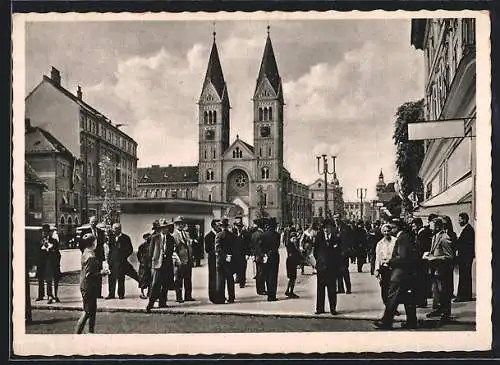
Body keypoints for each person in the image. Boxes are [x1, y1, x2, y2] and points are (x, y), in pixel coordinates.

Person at [373, 219, 419, 330]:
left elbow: (402, 257)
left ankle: (386, 322)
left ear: (397, 227)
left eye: (392, 228)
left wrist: (390, 261)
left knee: (392, 298)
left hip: (400, 274)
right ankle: (411, 321)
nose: (390, 230)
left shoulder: (402, 238)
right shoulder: (405, 236)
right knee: (408, 298)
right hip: (407, 273)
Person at [75, 233, 109, 334]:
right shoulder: (90, 256)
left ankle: (91, 333)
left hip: (87, 286)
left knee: (92, 311)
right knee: (87, 312)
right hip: (89, 286)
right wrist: (102, 273)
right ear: (93, 242)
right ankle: (77, 334)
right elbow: (89, 275)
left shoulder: (86, 252)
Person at [424, 217, 455, 321]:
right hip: (435, 268)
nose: (429, 226)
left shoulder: (444, 238)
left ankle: (446, 313)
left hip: (442, 269)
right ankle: (439, 309)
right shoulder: (434, 236)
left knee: (444, 291)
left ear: (437, 226)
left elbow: (450, 256)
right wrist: (430, 254)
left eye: (431, 225)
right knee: (437, 291)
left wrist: (435, 258)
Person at [146, 219, 176, 311]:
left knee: (165, 284)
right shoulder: (155, 238)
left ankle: (162, 303)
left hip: (167, 264)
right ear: (159, 229)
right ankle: (150, 304)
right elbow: (150, 252)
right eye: (162, 228)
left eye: (166, 228)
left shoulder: (171, 238)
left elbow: (171, 251)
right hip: (157, 264)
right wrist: (151, 264)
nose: (164, 229)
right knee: (155, 284)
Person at [313, 219, 341, 315]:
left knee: (332, 289)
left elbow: (338, 253)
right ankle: (320, 308)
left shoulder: (336, 238)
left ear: (331, 228)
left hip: (332, 267)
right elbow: (315, 251)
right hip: (321, 267)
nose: (326, 229)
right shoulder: (319, 237)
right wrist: (320, 261)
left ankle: (333, 309)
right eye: (324, 227)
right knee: (320, 288)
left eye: (328, 227)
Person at [106, 223, 138, 299]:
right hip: (112, 262)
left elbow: (130, 250)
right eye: (112, 229)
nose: (113, 231)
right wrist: (109, 259)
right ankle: (111, 294)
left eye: (114, 229)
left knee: (121, 278)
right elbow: (109, 249)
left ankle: (121, 294)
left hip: (121, 261)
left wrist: (123, 256)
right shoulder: (111, 237)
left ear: (119, 229)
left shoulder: (126, 238)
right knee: (111, 278)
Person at [411, 217, 433, 308]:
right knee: (421, 280)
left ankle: (421, 300)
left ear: (419, 225)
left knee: (421, 280)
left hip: (421, 260)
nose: (413, 227)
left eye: (414, 225)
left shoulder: (422, 233)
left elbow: (422, 247)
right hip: (421, 260)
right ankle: (420, 299)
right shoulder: (420, 233)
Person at [172, 216, 195, 303]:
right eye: (178, 224)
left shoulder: (187, 234)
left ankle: (188, 296)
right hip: (180, 261)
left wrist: (191, 257)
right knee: (178, 280)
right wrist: (178, 260)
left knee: (188, 279)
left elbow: (189, 246)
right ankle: (179, 297)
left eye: (182, 224)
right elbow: (173, 250)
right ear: (175, 225)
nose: (180, 225)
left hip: (188, 260)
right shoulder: (174, 236)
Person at [374, 223, 397, 306]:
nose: (386, 233)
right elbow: (378, 258)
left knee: (393, 288)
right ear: (382, 232)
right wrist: (376, 269)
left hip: (394, 267)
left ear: (391, 231)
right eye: (385, 231)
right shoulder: (380, 244)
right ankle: (387, 305)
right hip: (384, 268)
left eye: (388, 231)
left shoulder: (395, 241)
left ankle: (393, 306)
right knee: (384, 288)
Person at [454, 212, 475, 302]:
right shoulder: (466, 229)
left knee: (465, 276)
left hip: (466, 257)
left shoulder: (468, 229)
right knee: (464, 276)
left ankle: (464, 296)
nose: (459, 221)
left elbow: (465, 244)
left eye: (460, 219)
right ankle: (464, 295)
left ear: (465, 219)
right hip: (465, 256)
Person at [214, 218, 236, 304]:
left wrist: (224, 256)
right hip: (230, 260)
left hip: (221, 260)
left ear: (221, 226)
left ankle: (221, 298)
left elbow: (218, 249)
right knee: (230, 279)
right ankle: (231, 297)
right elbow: (235, 249)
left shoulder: (219, 235)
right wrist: (230, 256)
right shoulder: (232, 235)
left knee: (221, 280)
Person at [39, 224, 60, 304]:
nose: (45, 234)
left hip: (53, 262)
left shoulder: (54, 241)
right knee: (48, 280)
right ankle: (49, 296)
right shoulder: (41, 241)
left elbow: (57, 252)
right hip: (46, 262)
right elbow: (39, 253)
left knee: (56, 279)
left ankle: (56, 295)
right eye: (44, 232)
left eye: (46, 232)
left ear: (49, 232)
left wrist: (52, 250)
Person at [261, 217, 280, 301]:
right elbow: (277, 246)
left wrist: (265, 253)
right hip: (274, 256)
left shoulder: (264, 235)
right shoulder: (277, 235)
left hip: (266, 257)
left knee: (267, 276)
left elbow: (261, 247)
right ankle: (273, 295)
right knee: (274, 276)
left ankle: (269, 294)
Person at [87, 216, 106, 298]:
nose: (93, 223)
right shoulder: (85, 232)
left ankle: (98, 293)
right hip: (89, 257)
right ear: (89, 222)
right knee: (89, 274)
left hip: (98, 257)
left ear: (97, 223)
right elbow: (81, 245)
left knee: (98, 275)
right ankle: (90, 293)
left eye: (95, 222)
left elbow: (102, 244)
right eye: (92, 222)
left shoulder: (100, 232)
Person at [334, 214, 352, 294]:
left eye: (337, 218)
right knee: (337, 271)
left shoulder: (346, 228)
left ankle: (348, 288)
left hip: (344, 253)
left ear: (340, 218)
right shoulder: (333, 228)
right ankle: (340, 288)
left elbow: (350, 240)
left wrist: (348, 250)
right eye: (335, 218)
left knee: (345, 271)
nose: (336, 219)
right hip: (336, 253)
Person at [205, 219, 220, 303]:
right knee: (212, 278)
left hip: (220, 260)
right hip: (212, 260)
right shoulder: (208, 236)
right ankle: (213, 296)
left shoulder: (220, 235)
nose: (219, 227)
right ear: (213, 226)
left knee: (220, 278)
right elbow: (207, 249)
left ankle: (220, 295)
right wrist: (215, 252)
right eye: (218, 225)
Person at [233, 217, 251, 288]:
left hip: (243, 253)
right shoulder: (233, 233)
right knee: (237, 266)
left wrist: (248, 254)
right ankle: (238, 278)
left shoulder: (246, 234)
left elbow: (248, 244)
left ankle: (242, 282)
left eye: (240, 226)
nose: (239, 228)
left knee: (243, 268)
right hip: (235, 254)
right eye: (237, 226)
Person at [251, 218, 267, 295]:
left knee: (258, 273)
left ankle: (260, 289)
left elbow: (252, 246)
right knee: (261, 273)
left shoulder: (254, 234)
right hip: (261, 256)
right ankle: (261, 289)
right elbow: (260, 247)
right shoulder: (261, 235)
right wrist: (263, 255)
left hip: (256, 256)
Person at [285, 229, 301, 298]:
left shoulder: (292, 244)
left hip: (291, 262)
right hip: (291, 263)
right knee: (292, 278)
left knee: (292, 278)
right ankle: (290, 291)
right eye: (294, 238)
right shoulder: (290, 245)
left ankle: (289, 291)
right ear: (291, 238)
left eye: (295, 239)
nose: (295, 240)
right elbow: (293, 255)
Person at [137, 232, 152, 299]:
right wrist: (141, 261)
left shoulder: (152, 245)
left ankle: (149, 292)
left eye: (149, 236)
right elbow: (138, 254)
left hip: (150, 264)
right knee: (143, 279)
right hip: (144, 264)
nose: (148, 238)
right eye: (146, 237)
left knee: (150, 278)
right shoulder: (142, 245)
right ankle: (142, 293)